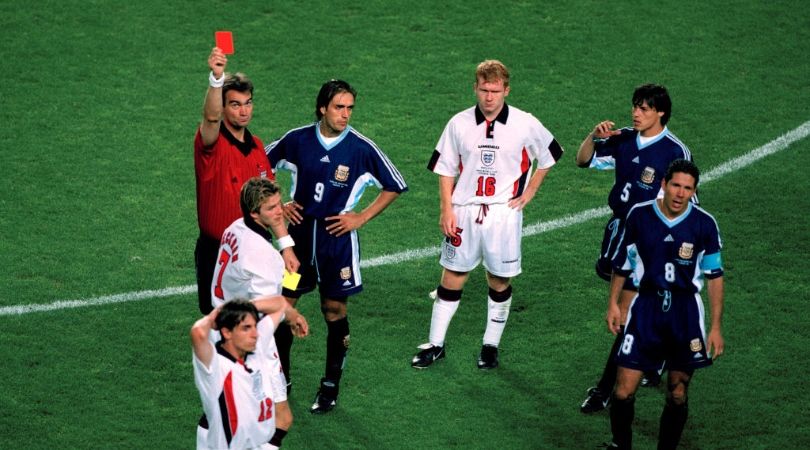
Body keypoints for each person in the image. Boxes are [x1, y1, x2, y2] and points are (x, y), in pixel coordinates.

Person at [265, 79, 408, 413]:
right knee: (284, 308)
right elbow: (260, 164)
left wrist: (360, 218)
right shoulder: (298, 139)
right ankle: (280, 380)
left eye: (349, 108)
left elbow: (394, 184)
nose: (346, 115)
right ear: (322, 108)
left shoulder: (361, 148)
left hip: (336, 244)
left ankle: (330, 385)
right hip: (296, 242)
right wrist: (278, 203)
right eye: (339, 108)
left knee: (334, 310)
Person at [411, 59, 564, 371]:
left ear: (506, 90)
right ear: (475, 88)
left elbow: (550, 155)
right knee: (452, 276)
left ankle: (490, 346)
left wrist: (532, 189)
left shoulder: (525, 122)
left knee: (498, 279)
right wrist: (446, 209)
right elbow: (445, 169)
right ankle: (435, 344)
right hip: (464, 211)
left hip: (503, 214)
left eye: (495, 90)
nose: (489, 97)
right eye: (484, 90)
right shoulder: (458, 123)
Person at [575, 84, 694, 413]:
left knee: (629, 314)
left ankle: (604, 389)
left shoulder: (675, 153)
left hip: (653, 243)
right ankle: (656, 357)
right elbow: (583, 160)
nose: (636, 112)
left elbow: (687, 207)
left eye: (643, 108)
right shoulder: (625, 138)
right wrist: (593, 137)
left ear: (660, 113)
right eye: (635, 106)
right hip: (621, 234)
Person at [604, 159, 725, 449]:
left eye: (687, 188)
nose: (680, 193)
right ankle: (622, 446)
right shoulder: (640, 215)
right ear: (663, 185)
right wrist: (613, 304)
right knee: (622, 392)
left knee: (678, 392)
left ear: (693, 191)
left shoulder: (704, 224)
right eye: (676, 185)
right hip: (645, 309)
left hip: (685, 314)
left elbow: (715, 277)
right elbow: (622, 264)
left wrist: (716, 327)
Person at [194, 46, 297, 315]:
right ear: (225, 106)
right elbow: (211, 117)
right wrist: (216, 79)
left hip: (257, 250)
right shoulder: (211, 145)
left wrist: (285, 246)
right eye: (235, 104)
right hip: (218, 252)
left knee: (264, 322)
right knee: (220, 324)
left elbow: (272, 206)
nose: (243, 111)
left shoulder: (258, 148)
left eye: (248, 103)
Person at [210, 177, 309, 448]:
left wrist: (285, 244)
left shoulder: (235, 227)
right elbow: (272, 305)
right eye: (272, 208)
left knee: (222, 411)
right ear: (255, 213)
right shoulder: (263, 258)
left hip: (220, 329)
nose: (280, 212)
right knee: (279, 420)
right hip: (251, 343)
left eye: (280, 204)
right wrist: (294, 314)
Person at [191, 297, 305, 450]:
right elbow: (198, 332)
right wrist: (217, 315)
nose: (255, 334)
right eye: (246, 328)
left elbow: (280, 303)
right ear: (227, 332)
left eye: (254, 327)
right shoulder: (215, 366)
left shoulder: (256, 347)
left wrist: (247, 308)